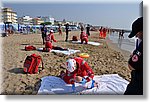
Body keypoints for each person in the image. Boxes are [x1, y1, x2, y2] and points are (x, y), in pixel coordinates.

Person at [124, 17, 143, 95]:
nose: (136, 37)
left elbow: (131, 66)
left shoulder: (143, 45)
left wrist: (132, 56)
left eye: (137, 34)